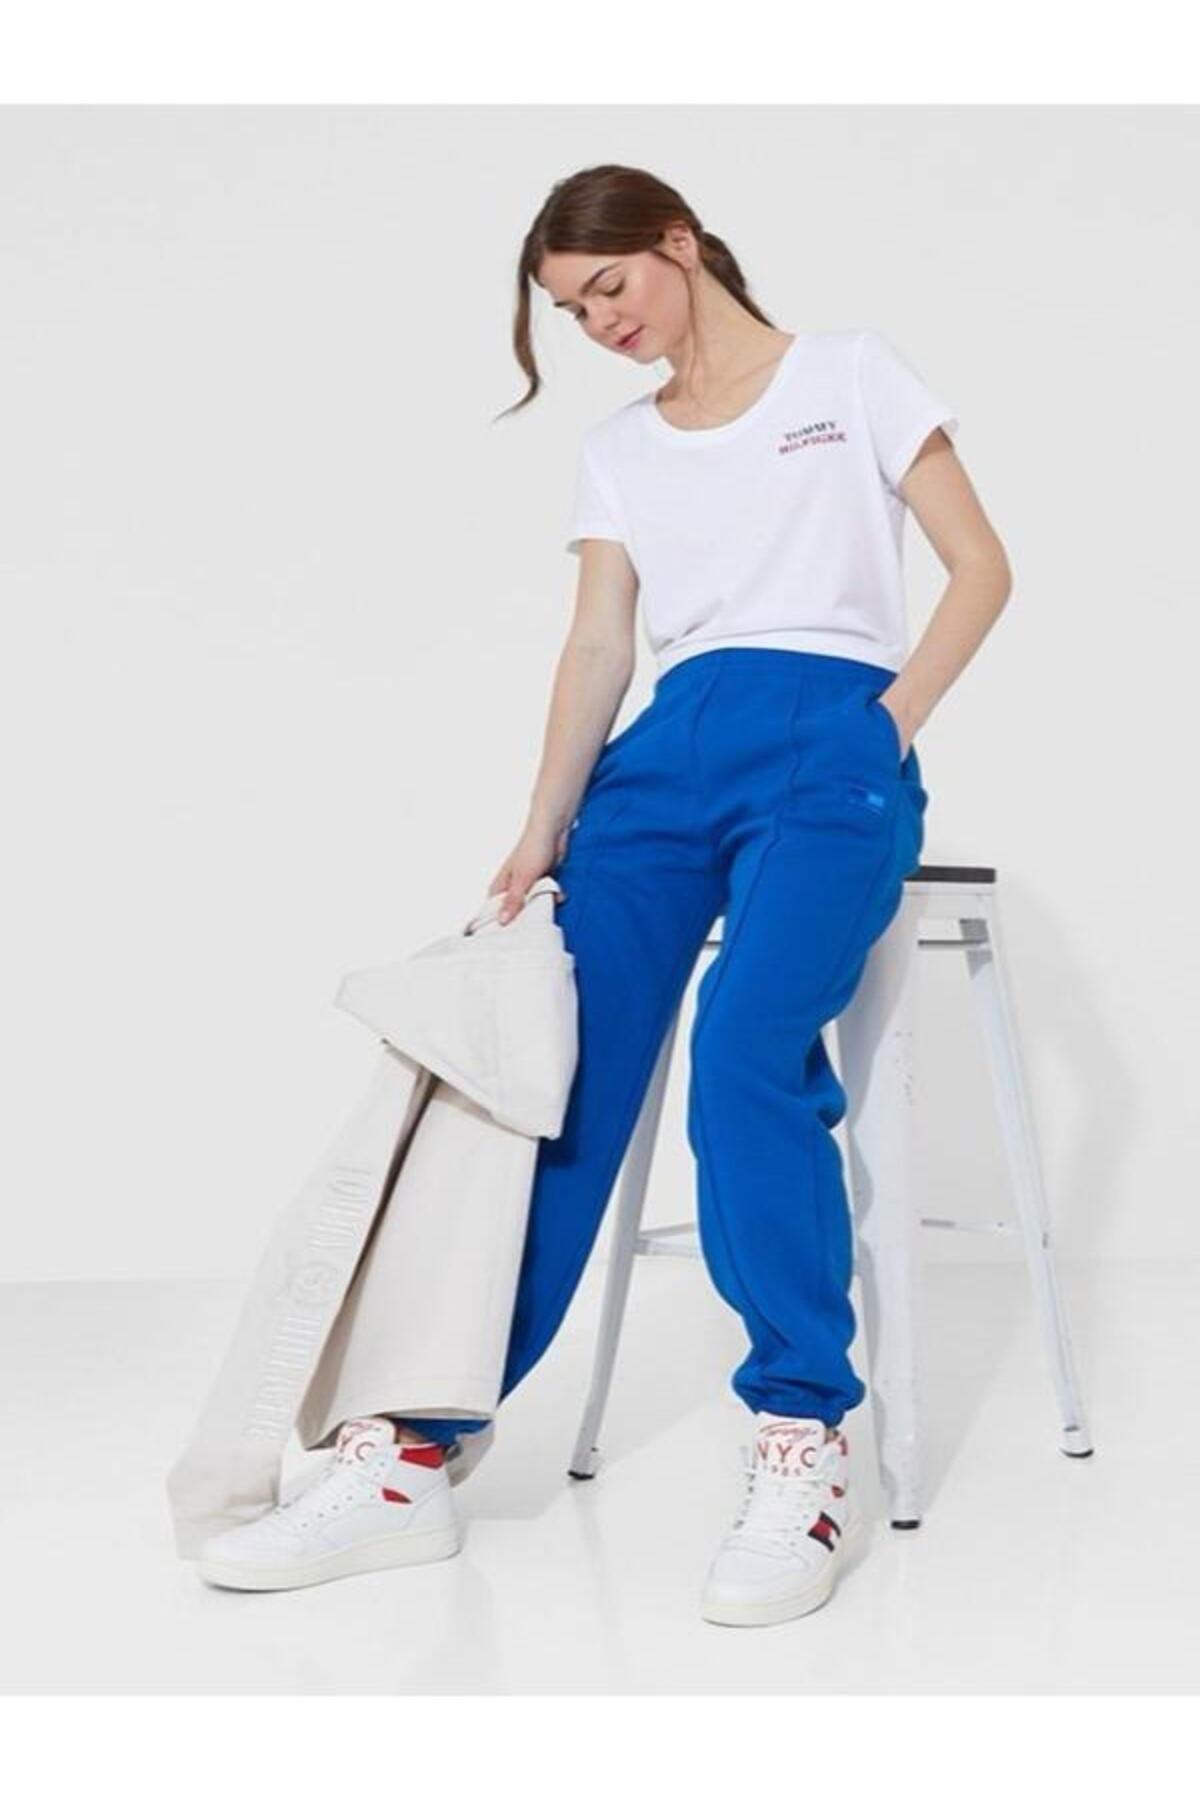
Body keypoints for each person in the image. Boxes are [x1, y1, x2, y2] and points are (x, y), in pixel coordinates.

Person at [197, 163, 1012, 1626]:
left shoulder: (850, 373)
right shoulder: (621, 448)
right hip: (665, 756)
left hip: (830, 738)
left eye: (609, 287)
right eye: (572, 312)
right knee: (550, 1072)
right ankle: (413, 1452)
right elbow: (596, 648)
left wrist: (884, 725)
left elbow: (981, 567)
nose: (599, 324)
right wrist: (540, 829)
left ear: (678, 244)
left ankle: (802, 1434)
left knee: (747, 1047)